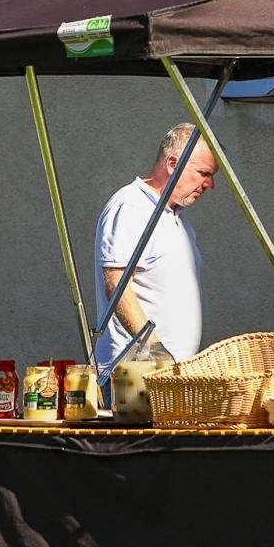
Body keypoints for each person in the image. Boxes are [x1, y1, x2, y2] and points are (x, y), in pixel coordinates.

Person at [93, 123, 217, 369]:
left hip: (166, 374)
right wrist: (155, 351)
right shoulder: (131, 206)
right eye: (203, 173)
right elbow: (116, 285)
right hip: (134, 376)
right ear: (172, 164)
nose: (209, 185)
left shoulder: (177, 219)